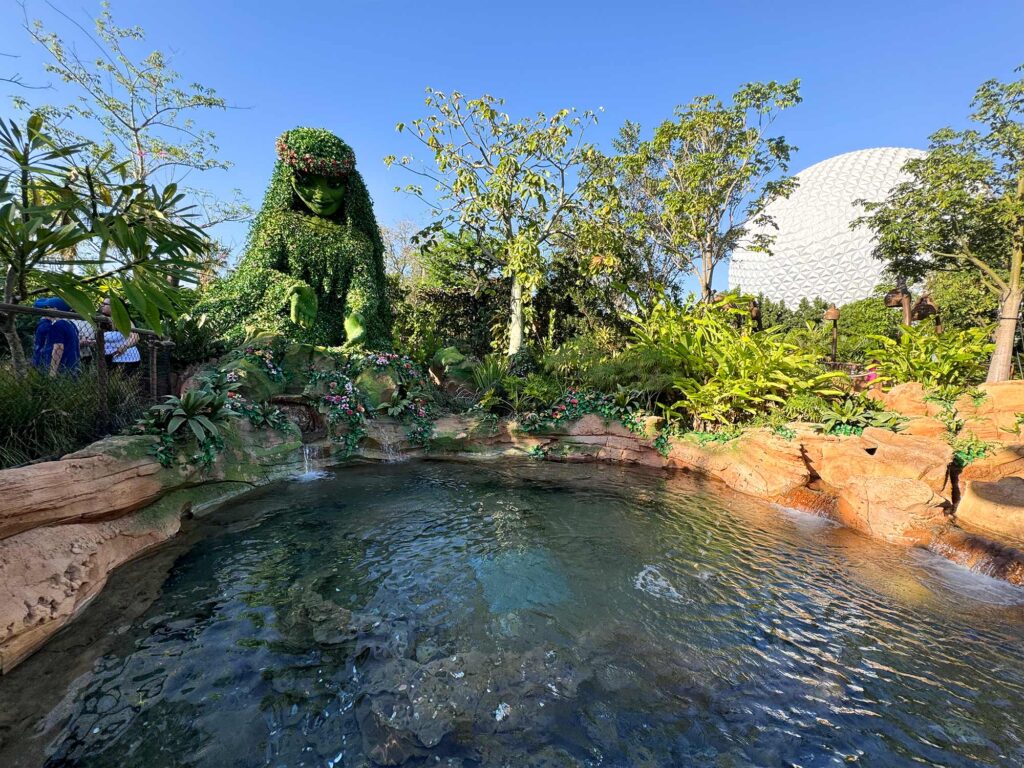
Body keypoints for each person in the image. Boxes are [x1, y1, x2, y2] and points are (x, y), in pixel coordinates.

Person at [31, 298, 81, 376]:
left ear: (54, 309)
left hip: (61, 368)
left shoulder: (58, 325)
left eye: (47, 307)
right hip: (72, 366)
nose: (45, 310)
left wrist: (52, 372)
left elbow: (58, 347)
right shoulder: (71, 324)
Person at [100, 298, 141, 374]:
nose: (101, 305)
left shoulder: (124, 320)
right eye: (102, 303)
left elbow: (135, 336)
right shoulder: (106, 321)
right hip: (111, 359)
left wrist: (124, 346)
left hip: (126, 360)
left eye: (105, 304)